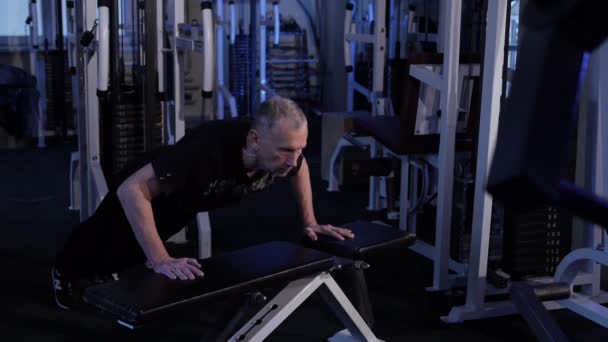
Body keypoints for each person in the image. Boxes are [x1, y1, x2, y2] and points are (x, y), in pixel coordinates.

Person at [51, 97, 355, 310]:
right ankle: (63, 272)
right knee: (103, 235)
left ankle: (107, 268)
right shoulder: (206, 150)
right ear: (254, 140)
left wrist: (310, 222)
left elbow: (299, 167)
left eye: (299, 149)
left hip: (185, 200)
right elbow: (134, 189)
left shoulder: (285, 156)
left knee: (127, 252)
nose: (293, 159)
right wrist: (160, 259)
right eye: (285, 150)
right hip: (149, 186)